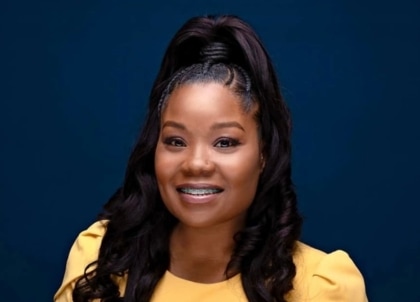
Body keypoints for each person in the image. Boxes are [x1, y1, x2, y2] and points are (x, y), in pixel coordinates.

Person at [54, 15, 368, 302]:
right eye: (176, 141)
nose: (196, 163)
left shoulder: (319, 287)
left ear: (264, 155)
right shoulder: (99, 261)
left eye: (225, 142)